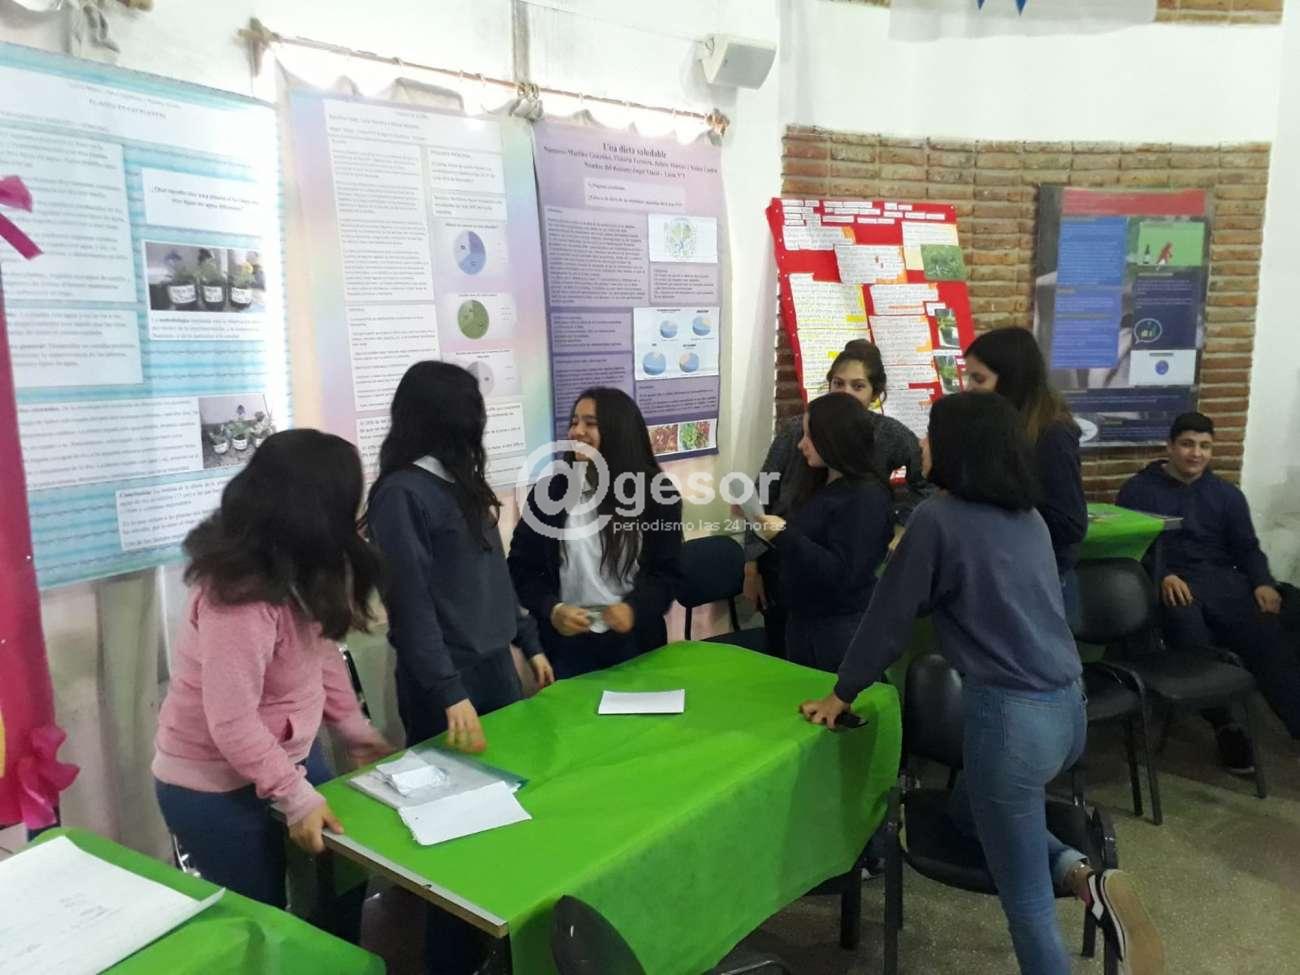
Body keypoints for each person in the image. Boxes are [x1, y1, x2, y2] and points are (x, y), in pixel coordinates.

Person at [800, 392, 1163, 975]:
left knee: (1027, 905)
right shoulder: (1030, 518)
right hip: (1070, 712)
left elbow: (888, 621)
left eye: (931, 434)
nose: (922, 444)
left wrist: (838, 695)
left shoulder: (937, 518)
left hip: (1010, 724)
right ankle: (1084, 877)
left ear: (958, 448)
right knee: (971, 812)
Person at [153, 429, 394, 910]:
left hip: (288, 759)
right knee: (263, 920)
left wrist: (352, 728)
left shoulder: (300, 564)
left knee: (342, 884)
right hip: (214, 787)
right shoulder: (238, 598)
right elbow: (232, 722)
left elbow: (320, 651)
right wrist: (296, 797)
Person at [367, 361, 554, 753]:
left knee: (518, 764)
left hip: (496, 666)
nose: (479, 422)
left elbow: (495, 574)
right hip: (446, 679)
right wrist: (449, 690)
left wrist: (530, 642)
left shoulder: (464, 481)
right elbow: (409, 603)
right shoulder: (402, 494)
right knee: (457, 779)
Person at [1117, 411, 1300, 772]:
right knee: (1192, 638)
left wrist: (1262, 581)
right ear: (1170, 446)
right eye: (1187, 444)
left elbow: (1246, 547)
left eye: (1205, 446)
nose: (1196, 453)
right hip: (1172, 586)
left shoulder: (1226, 495)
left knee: (1268, 635)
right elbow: (1131, 547)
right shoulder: (1138, 490)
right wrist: (1164, 574)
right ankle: (1226, 727)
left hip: (1222, 583)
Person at [744, 340, 928, 657]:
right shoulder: (805, 441)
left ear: (875, 393)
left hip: (832, 607)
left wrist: (902, 524)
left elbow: (925, 483)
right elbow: (765, 490)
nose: (845, 393)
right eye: (838, 384)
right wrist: (753, 562)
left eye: (858, 386)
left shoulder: (871, 478)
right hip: (793, 579)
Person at [509, 387, 682, 678]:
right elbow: (520, 569)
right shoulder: (550, 494)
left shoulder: (657, 494)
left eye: (590, 423)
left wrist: (634, 609)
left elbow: (668, 574)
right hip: (568, 645)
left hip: (635, 643)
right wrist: (553, 609)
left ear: (618, 431)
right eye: (574, 422)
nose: (577, 431)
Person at [752, 392, 893, 672]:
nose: (801, 444)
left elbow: (842, 573)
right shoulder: (820, 481)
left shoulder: (866, 498)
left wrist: (784, 535)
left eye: (809, 436)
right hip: (803, 618)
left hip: (837, 627)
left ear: (833, 440)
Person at [964, 327, 1087, 620]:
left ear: (1011, 381)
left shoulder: (1053, 436)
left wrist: (995, 501)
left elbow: (1070, 524)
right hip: (1005, 575)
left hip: (1040, 583)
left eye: (978, 379)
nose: (969, 388)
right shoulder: (999, 428)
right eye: (969, 377)